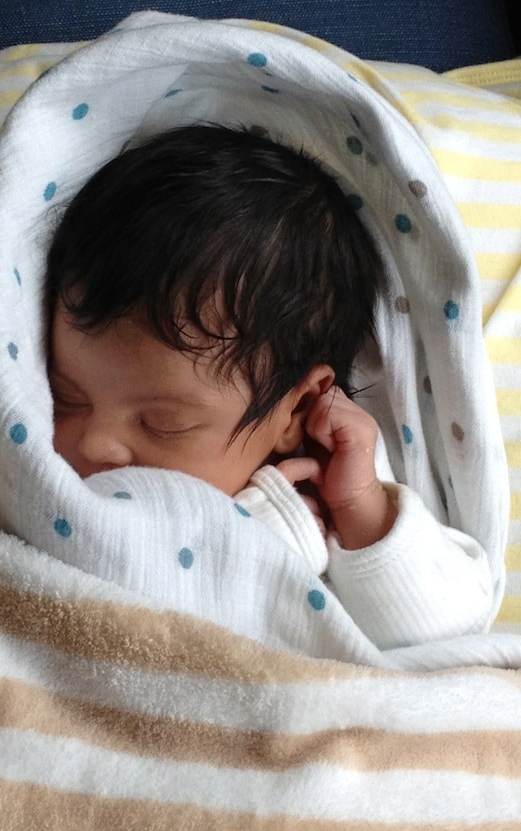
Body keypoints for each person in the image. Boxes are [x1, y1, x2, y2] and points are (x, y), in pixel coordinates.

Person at [45, 124, 492, 649]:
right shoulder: (48, 484)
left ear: (296, 409)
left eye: (164, 422)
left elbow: (451, 640)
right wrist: (258, 536)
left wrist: (363, 511)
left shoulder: (332, 493)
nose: (94, 441)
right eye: (66, 397)